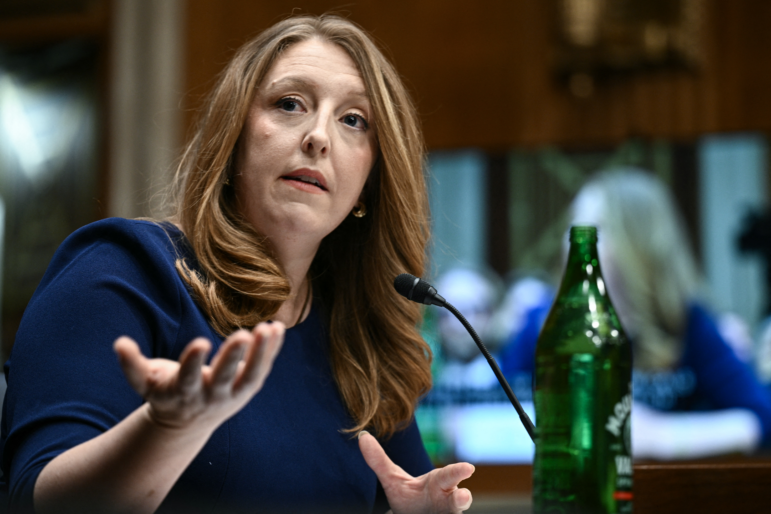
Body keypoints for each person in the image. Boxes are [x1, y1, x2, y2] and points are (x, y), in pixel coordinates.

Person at [0, 15, 475, 514]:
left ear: (368, 182)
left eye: (353, 119)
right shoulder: (124, 270)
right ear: (234, 136)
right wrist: (169, 428)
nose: (319, 137)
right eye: (289, 104)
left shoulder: (359, 339)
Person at [501, 168, 771, 459]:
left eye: (595, 229)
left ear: (638, 242)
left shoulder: (686, 321)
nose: (574, 241)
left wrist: (661, 435)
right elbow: (489, 416)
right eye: (572, 227)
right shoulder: (542, 323)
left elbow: (759, 420)